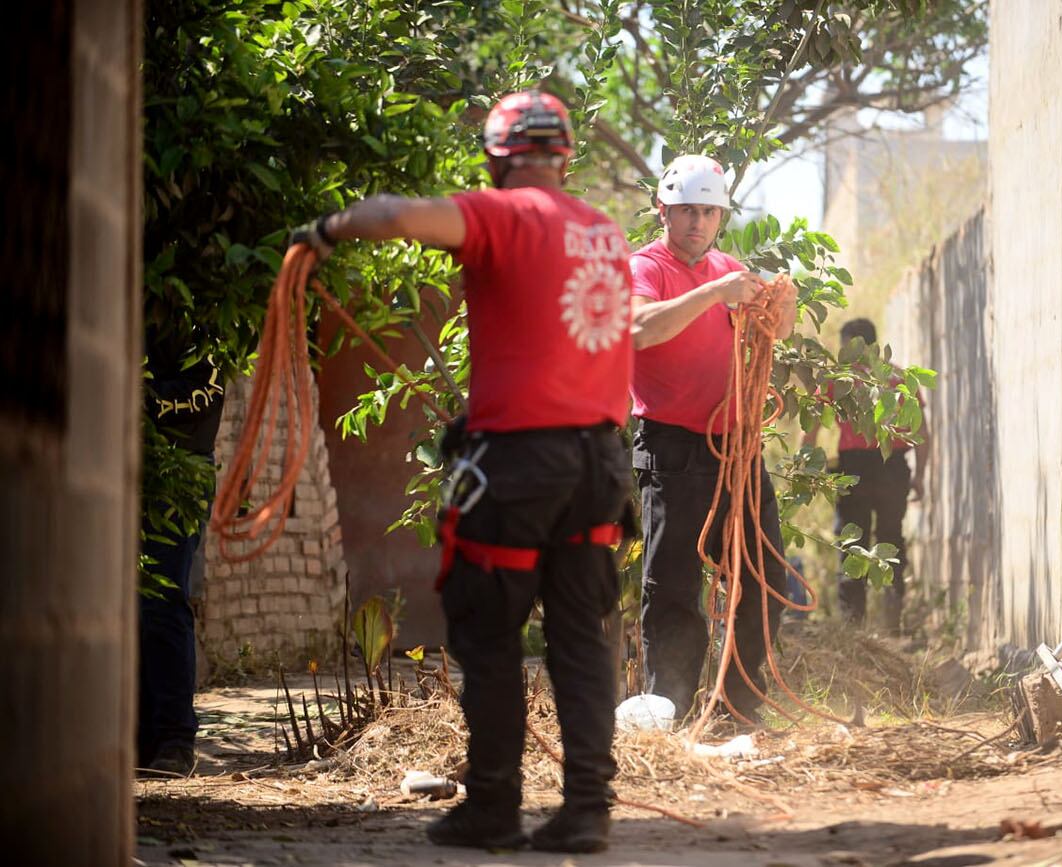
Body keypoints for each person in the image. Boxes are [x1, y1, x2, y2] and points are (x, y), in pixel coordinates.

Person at [292, 90, 633, 854]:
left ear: (496, 156)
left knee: (489, 632)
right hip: (598, 464)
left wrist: (328, 228)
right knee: (581, 635)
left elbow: (396, 217)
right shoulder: (604, 231)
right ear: (564, 154)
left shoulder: (504, 214)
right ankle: (587, 811)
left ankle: (495, 806)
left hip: (521, 463)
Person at [628, 154, 796, 723]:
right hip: (672, 448)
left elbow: (770, 332)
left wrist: (783, 309)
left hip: (736, 447)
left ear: (720, 215)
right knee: (673, 584)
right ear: (663, 211)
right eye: (686, 212)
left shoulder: (728, 269)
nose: (697, 223)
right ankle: (669, 713)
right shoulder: (644, 268)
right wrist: (713, 294)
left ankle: (739, 710)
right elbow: (641, 330)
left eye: (707, 212)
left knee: (763, 578)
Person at [138, 333, 225, 777]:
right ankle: (140, 739)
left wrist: (137, 397)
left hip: (178, 479)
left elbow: (205, 391)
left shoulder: (198, 321)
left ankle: (175, 739)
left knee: (161, 601)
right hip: (126, 470)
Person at [815, 317, 929, 634]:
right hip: (892, 468)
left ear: (855, 344)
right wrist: (919, 476)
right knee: (892, 539)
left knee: (853, 543)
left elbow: (811, 426)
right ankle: (892, 623)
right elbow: (922, 433)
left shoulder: (839, 381)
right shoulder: (900, 379)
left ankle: (854, 629)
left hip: (854, 469)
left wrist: (807, 465)